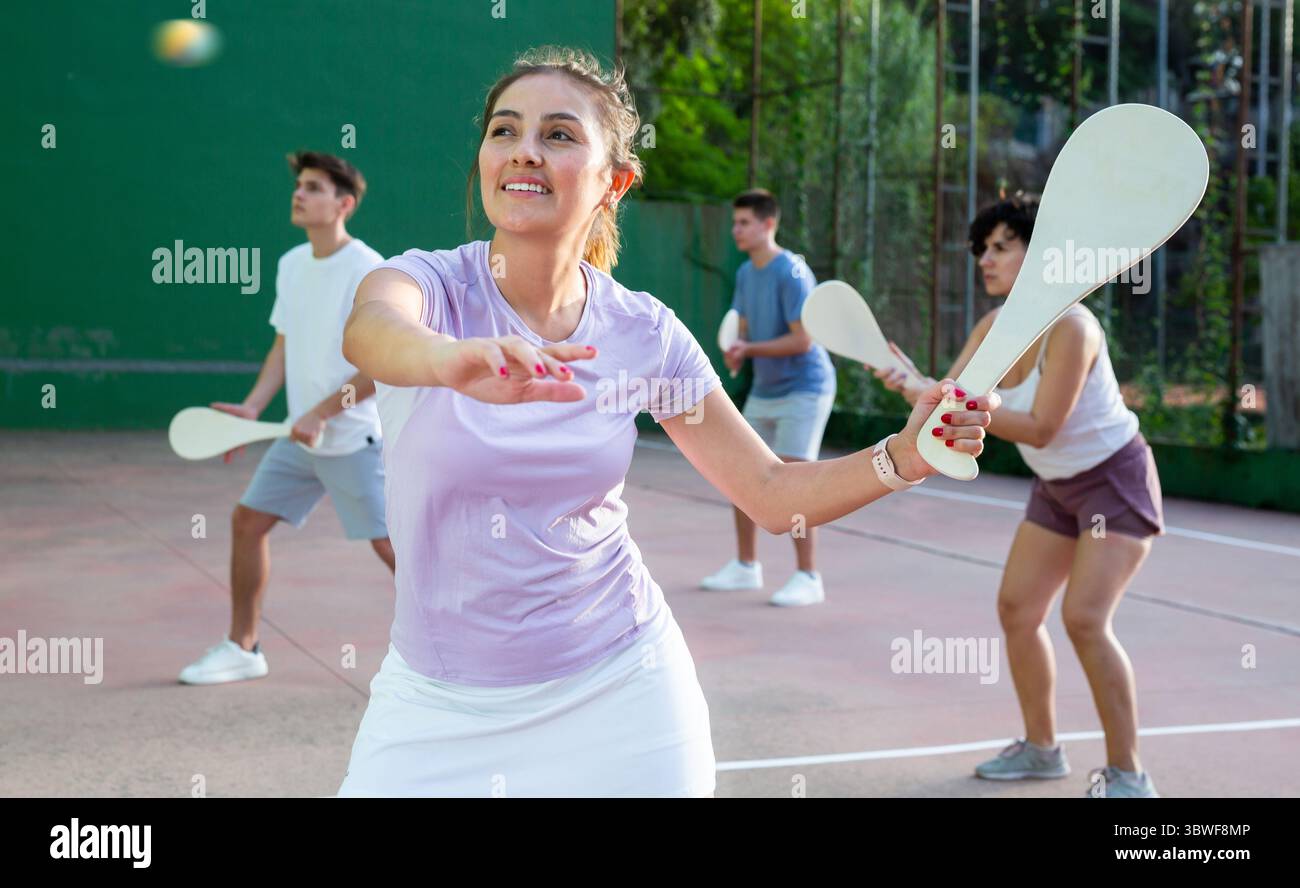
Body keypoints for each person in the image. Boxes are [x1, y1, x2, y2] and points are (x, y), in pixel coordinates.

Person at [334, 46, 996, 798]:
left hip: (622, 685)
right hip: (436, 703)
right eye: (504, 130)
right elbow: (371, 330)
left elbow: (772, 491)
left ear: (614, 181)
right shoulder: (427, 282)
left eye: (558, 134)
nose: (524, 150)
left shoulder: (643, 332)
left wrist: (903, 457)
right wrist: (448, 360)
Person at [875, 196, 1164, 798]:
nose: (987, 259)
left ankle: (1129, 777)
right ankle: (1041, 750)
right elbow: (946, 406)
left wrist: (941, 393)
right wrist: (913, 386)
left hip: (1114, 478)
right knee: (1017, 609)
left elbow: (1040, 427)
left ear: (1041, 255)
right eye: (982, 248)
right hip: (1056, 484)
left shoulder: (1074, 327)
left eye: (1003, 246)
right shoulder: (992, 327)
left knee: (1084, 618)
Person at [179, 152, 394, 685]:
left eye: (314, 188)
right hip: (299, 439)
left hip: (354, 440)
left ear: (343, 204)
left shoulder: (369, 268)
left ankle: (467, 653)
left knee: (395, 547)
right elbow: (284, 345)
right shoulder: (292, 264)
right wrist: (253, 408)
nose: (299, 194)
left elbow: (380, 365)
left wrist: (323, 413)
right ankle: (243, 647)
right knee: (247, 522)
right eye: (299, 185)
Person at [698, 189, 838, 607]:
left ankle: (808, 576)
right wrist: (737, 348)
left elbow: (802, 340)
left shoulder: (791, 272)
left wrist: (749, 350)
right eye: (735, 222)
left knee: (795, 482)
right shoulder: (745, 273)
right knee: (742, 475)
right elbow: (741, 328)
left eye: (744, 223)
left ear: (768, 225)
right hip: (766, 389)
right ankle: (746, 567)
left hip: (806, 387)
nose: (736, 230)